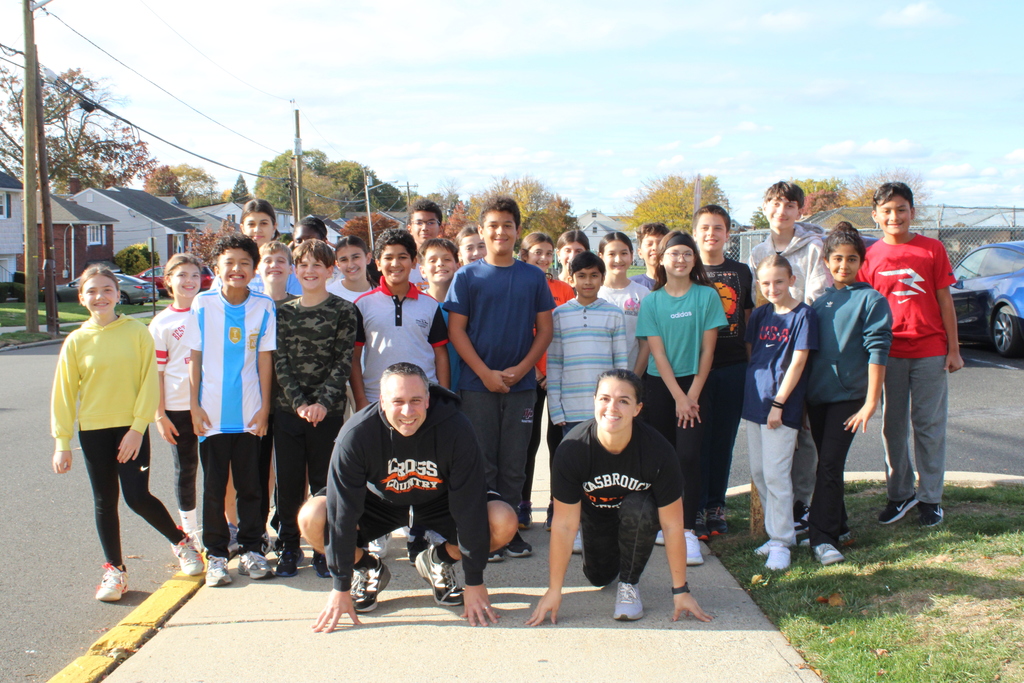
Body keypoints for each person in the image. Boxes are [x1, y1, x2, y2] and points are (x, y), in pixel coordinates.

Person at [305, 363, 517, 631]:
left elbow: (470, 505)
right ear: (382, 401)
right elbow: (341, 515)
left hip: (438, 499)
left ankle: (440, 561)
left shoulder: (456, 427)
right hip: (381, 502)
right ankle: (368, 567)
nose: (408, 411)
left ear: (428, 399)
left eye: (416, 400)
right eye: (398, 402)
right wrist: (340, 585)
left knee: (502, 520)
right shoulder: (356, 435)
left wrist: (475, 581)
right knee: (313, 516)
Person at [51, 265, 203, 602]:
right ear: (81, 298)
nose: (100, 296)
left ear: (118, 294)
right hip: (93, 431)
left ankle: (182, 543)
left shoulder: (136, 332)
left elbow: (149, 383)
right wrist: (62, 443)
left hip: (130, 429)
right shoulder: (76, 341)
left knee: (137, 496)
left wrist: (137, 429)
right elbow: (63, 394)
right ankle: (114, 571)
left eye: (107, 290)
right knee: (105, 501)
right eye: (91, 291)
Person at [526, 370, 712, 624]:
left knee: (640, 507)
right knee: (599, 578)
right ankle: (610, 561)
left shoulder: (658, 451)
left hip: (637, 516)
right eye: (604, 398)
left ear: (637, 409)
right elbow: (565, 524)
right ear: (594, 401)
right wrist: (554, 590)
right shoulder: (573, 449)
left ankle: (629, 585)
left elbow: (672, 525)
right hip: (596, 516)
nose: (612, 407)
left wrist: (681, 591)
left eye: (623, 400)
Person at [444, 196, 555, 560]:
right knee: (481, 461)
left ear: (517, 230)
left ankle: (508, 532)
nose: (500, 231)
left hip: (521, 387)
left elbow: (544, 330)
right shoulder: (467, 276)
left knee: (513, 462)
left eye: (508, 225)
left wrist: (521, 370)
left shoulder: (532, 276)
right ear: (481, 230)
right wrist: (485, 373)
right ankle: (483, 532)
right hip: (477, 387)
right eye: (493, 225)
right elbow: (457, 331)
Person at [858, 182, 962, 527]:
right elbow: (864, 309)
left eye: (901, 209)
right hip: (889, 354)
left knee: (929, 426)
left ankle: (930, 498)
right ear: (875, 216)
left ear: (912, 213)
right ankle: (899, 494)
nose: (894, 216)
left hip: (930, 350)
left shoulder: (932, 249)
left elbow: (945, 300)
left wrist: (954, 349)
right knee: (893, 426)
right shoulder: (869, 257)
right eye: (886, 211)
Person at [185, 233, 278, 587]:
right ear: (217, 268)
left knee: (251, 486)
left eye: (244, 263)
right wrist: (193, 405)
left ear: (254, 268)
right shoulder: (202, 304)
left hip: (250, 411)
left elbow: (265, 360)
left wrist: (265, 407)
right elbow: (194, 357)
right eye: (229, 263)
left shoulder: (264, 305)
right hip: (211, 414)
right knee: (214, 487)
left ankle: (253, 550)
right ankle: (218, 556)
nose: (236, 269)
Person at [635, 231, 727, 566]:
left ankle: (688, 532)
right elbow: (656, 354)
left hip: (696, 388)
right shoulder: (652, 301)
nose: (681, 260)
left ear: (694, 259)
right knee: (663, 459)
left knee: (689, 456)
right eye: (674, 254)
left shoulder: (706, 297)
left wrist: (691, 396)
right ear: (661, 259)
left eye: (687, 254)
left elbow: (708, 351)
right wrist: (678, 397)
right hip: (662, 388)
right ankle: (665, 523)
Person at [747, 182, 832, 535]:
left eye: (789, 205)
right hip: (771, 349)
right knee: (766, 462)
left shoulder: (813, 247)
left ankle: (801, 503)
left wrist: (794, 325)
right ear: (765, 208)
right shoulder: (758, 252)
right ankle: (778, 522)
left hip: (801, 345)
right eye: (774, 204)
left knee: (804, 434)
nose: (781, 211)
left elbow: (816, 295)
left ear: (800, 210)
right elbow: (759, 300)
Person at [807, 225, 892, 565]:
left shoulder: (871, 299)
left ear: (861, 262)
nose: (844, 265)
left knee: (828, 464)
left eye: (852, 259)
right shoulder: (819, 302)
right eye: (837, 259)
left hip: (850, 398)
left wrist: (871, 402)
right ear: (827, 261)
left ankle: (822, 538)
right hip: (817, 397)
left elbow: (878, 351)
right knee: (827, 464)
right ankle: (839, 526)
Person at [273, 239, 358, 577]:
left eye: (317, 266)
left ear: (329, 270)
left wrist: (322, 403)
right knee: (289, 484)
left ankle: (324, 547)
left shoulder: (344, 311)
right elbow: (279, 362)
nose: (310, 271)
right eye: (303, 265)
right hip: (288, 411)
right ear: (296, 270)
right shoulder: (283, 312)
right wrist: (300, 404)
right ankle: (289, 546)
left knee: (325, 484)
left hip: (329, 412)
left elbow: (343, 360)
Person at [742, 255, 818, 571]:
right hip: (754, 403)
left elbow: (798, 361)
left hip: (780, 407)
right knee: (760, 473)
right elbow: (753, 354)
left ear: (791, 281)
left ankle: (783, 540)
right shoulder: (760, 315)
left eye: (779, 281)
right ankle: (776, 536)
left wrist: (779, 403)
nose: (772, 288)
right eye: (766, 282)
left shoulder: (803, 316)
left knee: (776, 474)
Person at [692, 205, 755, 539]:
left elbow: (745, 319)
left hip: (732, 368)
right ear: (695, 232)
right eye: (704, 228)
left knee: (723, 441)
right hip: (696, 370)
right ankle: (698, 507)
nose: (711, 234)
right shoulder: (687, 269)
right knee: (698, 442)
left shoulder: (742, 272)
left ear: (727, 234)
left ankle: (717, 505)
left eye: (718, 228)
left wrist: (750, 366)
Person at [350, 229, 449, 409]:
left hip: (424, 400)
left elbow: (440, 355)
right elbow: (354, 357)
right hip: (376, 400)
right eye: (388, 258)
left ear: (413, 262)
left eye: (402, 257)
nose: (395, 263)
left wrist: (443, 397)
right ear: (378, 263)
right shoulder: (363, 305)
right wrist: (360, 399)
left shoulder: (430, 305)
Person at [518, 232, 576, 532]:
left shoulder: (564, 289)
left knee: (559, 444)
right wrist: (536, 372)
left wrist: (553, 374)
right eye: (537, 252)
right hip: (529, 378)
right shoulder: (518, 286)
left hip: (558, 379)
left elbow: (565, 335)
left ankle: (558, 503)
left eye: (548, 252)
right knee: (527, 443)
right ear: (524, 254)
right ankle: (522, 504)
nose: (543, 257)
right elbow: (519, 333)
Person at [150, 253, 205, 541]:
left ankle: (220, 526)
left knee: (218, 469)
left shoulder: (209, 310)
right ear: (168, 280)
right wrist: (159, 414)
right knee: (186, 468)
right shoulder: (161, 323)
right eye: (181, 275)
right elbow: (156, 373)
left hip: (211, 403)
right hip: (177, 406)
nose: (189, 281)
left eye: (194, 275)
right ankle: (191, 529)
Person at [548, 250, 628, 435]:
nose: (588, 281)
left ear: (602, 278)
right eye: (581, 276)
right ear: (571, 279)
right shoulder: (559, 315)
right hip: (570, 410)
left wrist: (619, 403)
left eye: (594, 276)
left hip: (607, 410)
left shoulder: (614, 314)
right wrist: (556, 408)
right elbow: (554, 364)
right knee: (575, 461)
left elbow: (621, 365)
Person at [597, 231, 650, 374]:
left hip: (630, 376)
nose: (618, 259)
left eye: (624, 253)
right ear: (600, 256)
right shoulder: (593, 293)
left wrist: (634, 378)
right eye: (611, 254)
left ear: (632, 256)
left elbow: (645, 343)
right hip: (597, 378)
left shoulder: (643, 293)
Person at [238, 198, 303, 296]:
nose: (257, 229)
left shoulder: (287, 270)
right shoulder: (233, 268)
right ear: (242, 228)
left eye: (264, 223)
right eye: (251, 224)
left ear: (274, 227)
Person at [407, 198, 444, 292]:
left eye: (430, 223)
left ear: (440, 228)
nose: (424, 228)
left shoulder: (447, 262)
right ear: (410, 228)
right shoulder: (403, 262)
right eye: (419, 223)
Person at [326, 235, 373, 303]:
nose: (350, 265)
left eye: (356, 257)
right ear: (337, 264)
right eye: (344, 260)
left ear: (368, 258)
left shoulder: (382, 296)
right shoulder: (328, 295)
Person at [630, 222, 669, 291]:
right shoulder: (632, 286)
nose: (655, 248)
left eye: (660, 243)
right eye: (649, 244)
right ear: (640, 253)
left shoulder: (680, 283)